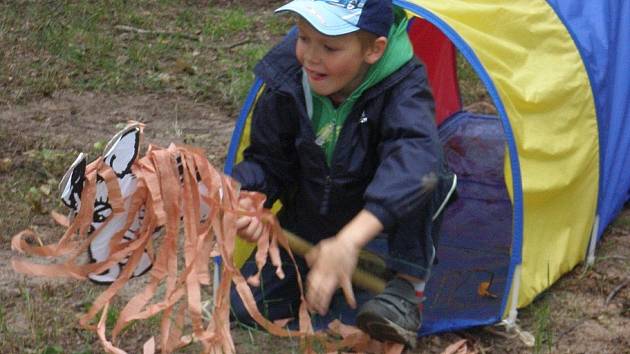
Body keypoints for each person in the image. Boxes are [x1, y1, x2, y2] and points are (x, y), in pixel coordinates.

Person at [229, 0, 456, 348]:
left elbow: (413, 158)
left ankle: (406, 287)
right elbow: (267, 160)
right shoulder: (287, 79)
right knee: (245, 308)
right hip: (307, 230)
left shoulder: (403, 86)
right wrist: (246, 196)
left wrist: (350, 240)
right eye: (303, 38)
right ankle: (317, 273)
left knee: (427, 172)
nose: (311, 57)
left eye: (331, 47)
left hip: (376, 233)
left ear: (374, 50)